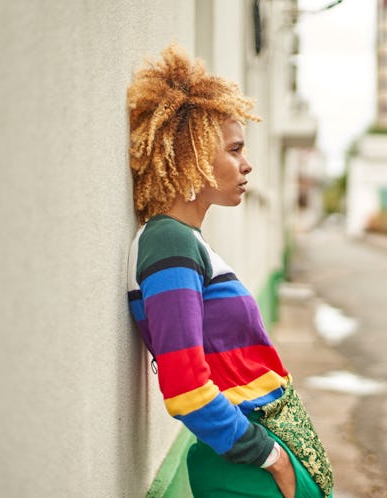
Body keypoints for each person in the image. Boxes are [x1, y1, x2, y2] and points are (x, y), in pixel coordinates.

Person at [125, 44, 333, 498]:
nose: (247, 164)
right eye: (235, 149)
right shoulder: (168, 242)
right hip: (241, 465)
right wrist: (271, 457)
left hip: (247, 459)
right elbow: (185, 383)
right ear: (192, 155)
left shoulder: (187, 242)